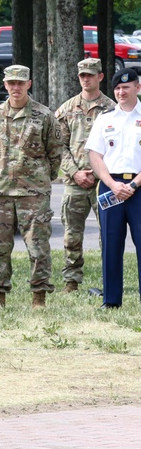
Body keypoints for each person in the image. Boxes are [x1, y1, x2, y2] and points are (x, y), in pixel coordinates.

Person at [0, 65, 62, 309]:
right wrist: (0, 174)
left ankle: (39, 295)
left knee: (38, 245)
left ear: (29, 84)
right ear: (5, 85)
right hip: (1, 192)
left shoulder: (44, 115)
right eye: (11, 83)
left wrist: (40, 178)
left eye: (20, 83)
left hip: (33, 193)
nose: (15, 87)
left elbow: (55, 152)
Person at [56, 57, 114, 293]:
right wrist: (75, 172)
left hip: (105, 182)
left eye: (91, 75)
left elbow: (118, 146)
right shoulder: (66, 109)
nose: (86, 79)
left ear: (100, 77)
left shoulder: (112, 109)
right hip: (75, 182)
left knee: (109, 232)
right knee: (71, 235)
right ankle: (71, 280)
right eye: (82, 75)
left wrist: (101, 173)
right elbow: (58, 146)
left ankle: (109, 278)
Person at [86, 68, 141, 309]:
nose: (121, 92)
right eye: (117, 88)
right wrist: (112, 184)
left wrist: (133, 184)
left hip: (138, 186)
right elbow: (95, 155)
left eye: (126, 87)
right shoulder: (105, 118)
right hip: (111, 186)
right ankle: (111, 300)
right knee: (110, 243)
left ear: (137, 88)